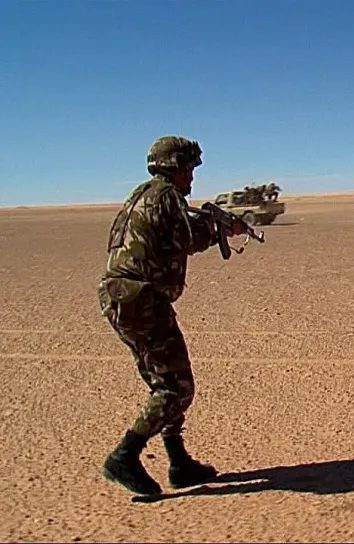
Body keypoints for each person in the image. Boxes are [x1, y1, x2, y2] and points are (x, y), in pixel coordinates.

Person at [95, 136, 247, 496]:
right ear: (174, 167)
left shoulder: (143, 194)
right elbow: (187, 238)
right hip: (141, 299)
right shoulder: (165, 196)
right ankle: (124, 456)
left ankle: (178, 462)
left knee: (164, 380)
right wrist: (219, 229)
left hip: (124, 298)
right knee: (177, 388)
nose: (191, 177)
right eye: (188, 170)